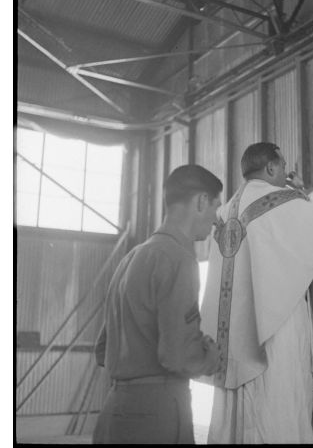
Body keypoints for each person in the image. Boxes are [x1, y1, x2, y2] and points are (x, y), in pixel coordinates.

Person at [200, 142, 313, 444]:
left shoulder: (225, 211)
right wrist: (310, 192)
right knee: (277, 410)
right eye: (281, 167)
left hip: (233, 340)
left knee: (237, 418)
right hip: (275, 333)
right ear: (271, 167)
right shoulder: (282, 200)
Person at [92, 164, 223, 444]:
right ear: (201, 201)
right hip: (156, 416)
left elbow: (103, 350)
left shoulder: (131, 258)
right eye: (215, 206)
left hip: (114, 412)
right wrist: (211, 356)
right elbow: (177, 356)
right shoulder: (178, 259)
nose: (215, 220)